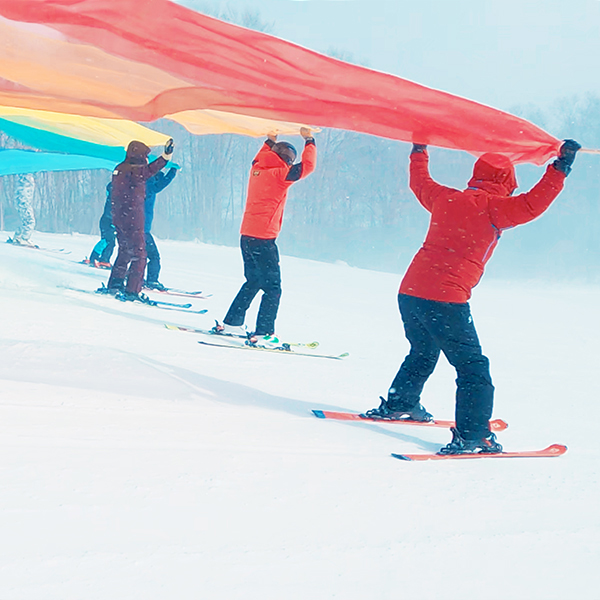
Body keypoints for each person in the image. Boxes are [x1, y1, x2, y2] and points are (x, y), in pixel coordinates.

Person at [363, 139, 581, 455]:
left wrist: (419, 150)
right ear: (507, 181)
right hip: (445, 298)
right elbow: (534, 203)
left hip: (410, 292)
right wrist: (561, 168)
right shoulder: (496, 208)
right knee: (473, 368)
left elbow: (419, 183)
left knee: (424, 350)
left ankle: (401, 403)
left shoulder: (446, 198)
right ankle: (473, 435)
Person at [219, 127, 317, 341]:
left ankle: (232, 323)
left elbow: (259, 158)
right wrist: (309, 140)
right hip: (264, 238)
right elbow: (308, 166)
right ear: (286, 159)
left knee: (253, 281)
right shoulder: (281, 174)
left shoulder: (257, 169)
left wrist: (270, 140)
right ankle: (264, 332)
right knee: (273, 288)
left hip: (246, 235)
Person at [101, 139, 174, 301]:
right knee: (140, 255)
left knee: (124, 251)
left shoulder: (119, 169)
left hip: (118, 217)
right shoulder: (135, 171)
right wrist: (166, 156)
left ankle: (115, 284)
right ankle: (132, 291)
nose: (146, 159)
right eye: (145, 156)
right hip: (133, 217)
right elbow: (150, 170)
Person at [143, 166, 178, 290]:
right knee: (153, 256)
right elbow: (161, 183)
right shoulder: (148, 185)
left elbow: (160, 180)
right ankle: (151, 280)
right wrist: (172, 172)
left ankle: (131, 277)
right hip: (142, 229)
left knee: (136, 254)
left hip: (137, 227)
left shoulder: (139, 182)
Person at [87, 182, 116, 268]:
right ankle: (97, 258)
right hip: (108, 220)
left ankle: (102, 259)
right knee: (107, 240)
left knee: (110, 241)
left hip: (109, 220)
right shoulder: (114, 195)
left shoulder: (115, 194)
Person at [7, 173, 36, 247]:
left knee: (25, 221)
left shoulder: (20, 177)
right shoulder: (26, 178)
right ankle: (24, 239)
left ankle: (17, 236)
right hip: (24, 202)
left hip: (20, 202)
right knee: (30, 221)